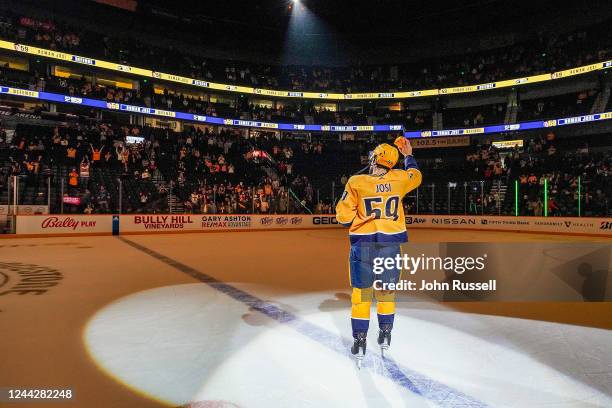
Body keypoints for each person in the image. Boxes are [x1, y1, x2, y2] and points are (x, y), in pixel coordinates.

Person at [335, 137, 421, 368]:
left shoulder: (356, 181)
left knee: (361, 296)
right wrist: (408, 155)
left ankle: (360, 341)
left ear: (374, 159)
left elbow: (342, 217)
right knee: (386, 293)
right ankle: (385, 333)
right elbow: (416, 175)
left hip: (363, 246)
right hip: (390, 247)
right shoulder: (401, 178)